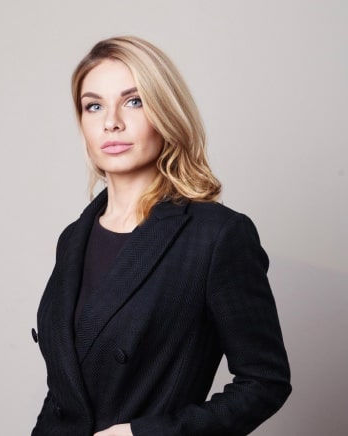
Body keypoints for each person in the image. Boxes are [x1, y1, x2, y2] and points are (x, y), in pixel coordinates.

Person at [31, 36, 291, 436]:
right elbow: (65, 391)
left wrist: (145, 434)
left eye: (133, 101)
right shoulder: (73, 238)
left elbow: (265, 382)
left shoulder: (215, 236)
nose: (111, 122)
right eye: (93, 106)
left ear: (166, 112)